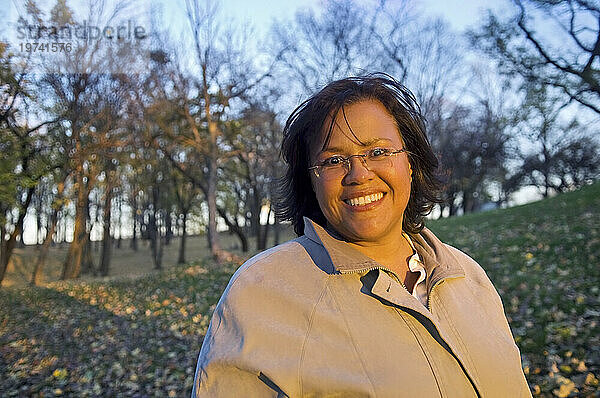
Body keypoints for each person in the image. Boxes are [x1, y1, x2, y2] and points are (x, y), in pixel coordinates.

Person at [192, 74, 532, 397]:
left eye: (378, 152)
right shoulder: (260, 292)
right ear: (310, 181)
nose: (358, 174)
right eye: (333, 160)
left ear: (410, 163)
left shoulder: (469, 277)